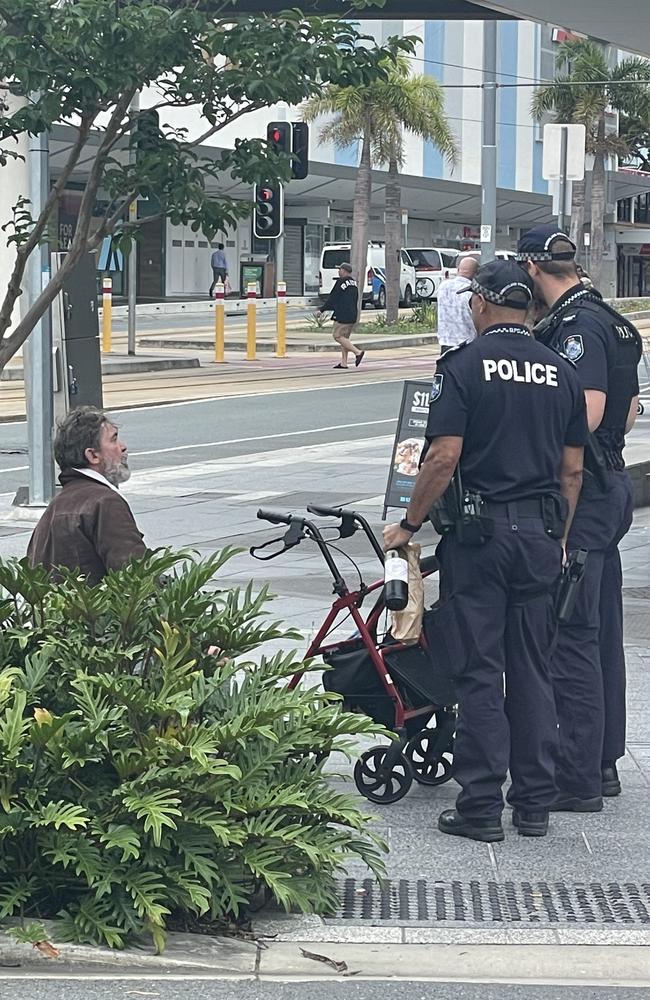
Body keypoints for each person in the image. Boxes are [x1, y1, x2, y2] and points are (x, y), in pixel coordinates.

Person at [384, 259, 588, 842]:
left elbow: (443, 457)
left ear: (479, 305)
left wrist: (408, 523)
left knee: (479, 672)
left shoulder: (463, 367)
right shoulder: (560, 371)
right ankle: (533, 806)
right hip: (541, 539)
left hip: (481, 540)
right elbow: (571, 472)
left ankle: (478, 808)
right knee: (533, 670)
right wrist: (561, 533)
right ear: (525, 309)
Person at [517, 224, 642, 807]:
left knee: (572, 632)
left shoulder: (576, 326)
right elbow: (630, 411)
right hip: (610, 481)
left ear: (532, 267)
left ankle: (578, 776)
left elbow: (586, 411)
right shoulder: (615, 320)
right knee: (601, 630)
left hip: (586, 490)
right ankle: (603, 762)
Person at [27, 407, 146, 585]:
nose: (122, 446)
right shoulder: (106, 502)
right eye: (113, 439)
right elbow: (135, 577)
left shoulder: (57, 504)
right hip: (96, 611)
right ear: (92, 455)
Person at [317, 262, 365, 370]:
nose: (338, 271)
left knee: (337, 336)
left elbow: (333, 297)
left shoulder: (340, 282)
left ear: (344, 271)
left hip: (343, 314)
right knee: (345, 338)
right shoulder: (353, 283)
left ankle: (358, 352)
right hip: (352, 314)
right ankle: (344, 363)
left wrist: (322, 309)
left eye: (340, 269)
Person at [436, 256, 479, 353]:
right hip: (467, 345)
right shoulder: (472, 292)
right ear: (476, 273)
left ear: (458, 270)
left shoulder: (443, 286)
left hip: (446, 343)